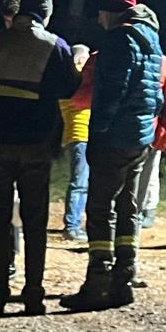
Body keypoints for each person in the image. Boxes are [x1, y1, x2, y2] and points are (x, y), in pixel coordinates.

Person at [0, 0, 80, 317]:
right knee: (34, 221)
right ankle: (33, 294)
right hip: (37, 145)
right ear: (45, 13)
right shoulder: (56, 45)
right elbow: (69, 87)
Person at [61, 0, 163, 311]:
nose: (98, 19)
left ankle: (98, 281)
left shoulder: (120, 41)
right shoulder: (151, 40)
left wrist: (99, 131)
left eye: (101, 12)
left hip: (115, 136)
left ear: (113, 12)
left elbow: (112, 92)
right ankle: (124, 277)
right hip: (139, 136)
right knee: (127, 206)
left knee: (101, 207)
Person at [134, 52, 166, 236]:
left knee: (142, 183)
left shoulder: (162, 62)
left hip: (149, 136)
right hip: (147, 135)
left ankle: (120, 246)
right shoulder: (162, 62)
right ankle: (123, 248)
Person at [60, 43, 91, 242]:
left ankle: (74, 223)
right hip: (81, 133)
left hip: (75, 134)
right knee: (79, 182)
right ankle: (71, 226)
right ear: (80, 59)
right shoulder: (78, 78)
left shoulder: (64, 79)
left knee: (81, 181)